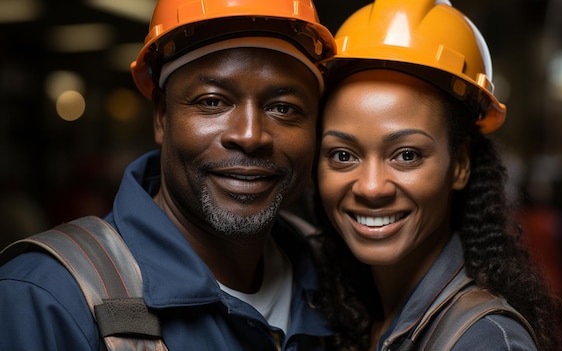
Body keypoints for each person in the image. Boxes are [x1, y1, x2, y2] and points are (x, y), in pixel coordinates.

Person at [0, 0, 336, 350]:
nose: (250, 136)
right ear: (162, 116)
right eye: (212, 102)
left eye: (283, 108)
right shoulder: (46, 299)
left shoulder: (340, 278)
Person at [311, 0, 562, 350]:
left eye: (406, 155)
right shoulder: (361, 314)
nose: (371, 187)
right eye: (343, 155)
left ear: (460, 165)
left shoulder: (485, 341)